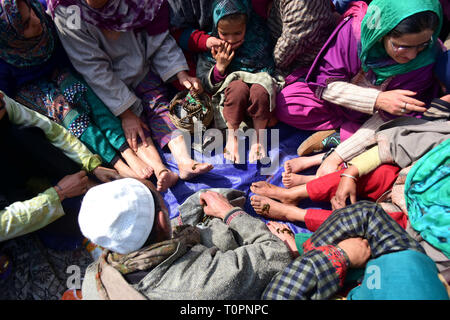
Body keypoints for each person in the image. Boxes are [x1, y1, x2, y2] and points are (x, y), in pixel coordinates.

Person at [0, 0, 172, 186]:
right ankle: (118, 164)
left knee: (83, 93)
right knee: (65, 110)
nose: (35, 20)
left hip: (64, 72)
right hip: (33, 92)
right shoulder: (5, 61)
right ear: (10, 36)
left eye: (32, 12)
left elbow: (84, 59)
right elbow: (8, 103)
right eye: (25, 25)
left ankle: (128, 152)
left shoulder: (45, 13)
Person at [48, 0, 213, 184]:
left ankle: (184, 162)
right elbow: (92, 66)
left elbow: (157, 34)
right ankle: (160, 170)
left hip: (141, 64)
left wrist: (180, 74)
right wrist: (126, 113)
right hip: (105, 87)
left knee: (160, 106)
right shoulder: (68, 11)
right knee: (135, 131)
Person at [250, 96, 450, 232]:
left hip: (417, 221)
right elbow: (404, 141)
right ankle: (291, 195)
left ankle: (292, 212)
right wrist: (350, 173)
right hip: (404, 179)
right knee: (378, 171)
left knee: (365, 222)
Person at [77, 179, 292, 300]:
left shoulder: (92, 280)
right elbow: (277, 253)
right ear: (162, 222)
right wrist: (229, 213)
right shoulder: (204, 283)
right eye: (164, 206)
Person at [275, 0, 443, 144]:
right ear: (381, 33)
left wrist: (339, 155)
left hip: (384, 117)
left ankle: (344, 136)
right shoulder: (354, 31)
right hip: (343, 105)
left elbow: (395, 113)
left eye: (422, 45)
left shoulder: (426, 59)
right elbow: (325, 83)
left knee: (404, 131)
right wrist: (377, 99)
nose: (412, 55)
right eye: (402, 46)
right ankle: (349, 132)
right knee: (288, 103)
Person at [261, 201, 449, 300]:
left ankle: (300, 243)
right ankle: (301, 239)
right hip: (393, 270)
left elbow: (280, 294)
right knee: (374, 214)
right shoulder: (405, 281)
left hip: (368, 275)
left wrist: (340, 255)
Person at [196, 0, 283, 163]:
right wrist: (220, 67)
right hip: (231, 102)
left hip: (259, 102)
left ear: (246, 25)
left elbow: (269, 67)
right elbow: (205, 83)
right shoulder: (213, 47)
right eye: (224, 33)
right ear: (216, 28)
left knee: (260, 90)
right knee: (237, 88)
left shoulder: (258, 37)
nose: (231, 39)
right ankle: (232, 137)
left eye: (237, 33)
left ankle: (259, 140)